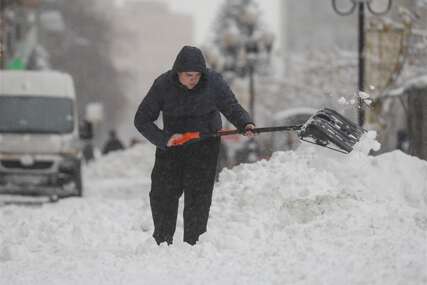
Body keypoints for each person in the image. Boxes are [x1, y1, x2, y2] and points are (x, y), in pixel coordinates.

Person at [134, 45, 255, 246]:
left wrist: (245, 122)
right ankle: (163, 241)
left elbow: (231, 106)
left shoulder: (214, 82)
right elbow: (142, 119)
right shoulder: (163, 85)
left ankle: (194, 243)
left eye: (198, 75)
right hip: (172, 147)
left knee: (198, 197)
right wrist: (164, 139)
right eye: (189, 75)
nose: (194, 79)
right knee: (163, 194)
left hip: (204, 146)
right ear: (177, 72)